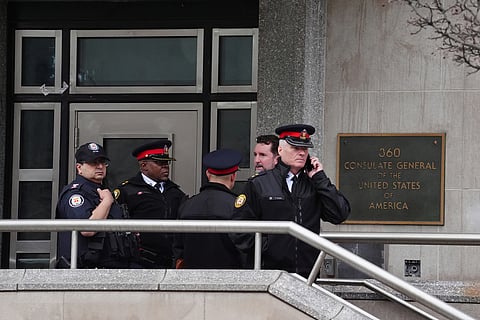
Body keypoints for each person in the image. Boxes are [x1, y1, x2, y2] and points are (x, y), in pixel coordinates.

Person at [232, 124, 351, 277]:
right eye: (295, 148)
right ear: (280, 151)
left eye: (305, 149)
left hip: (308, 274)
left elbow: (340, 214)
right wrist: (267, 249)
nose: (302, 153)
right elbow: (238, 229)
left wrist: (320, 179)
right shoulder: (259, 184)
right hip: (270, 273)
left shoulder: (314, 183)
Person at [56, 142, 139, 269]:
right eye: (93, 163)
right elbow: (87, 229)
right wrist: (106, 201)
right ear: (79, 168)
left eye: (102, 162)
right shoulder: (75, 193)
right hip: (88, 270)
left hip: (112, 265)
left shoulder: (101, 190)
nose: (100, 166)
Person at [114, 139, 188, 268]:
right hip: (138, 262)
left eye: (167, 163)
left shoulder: (175, 192)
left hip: (169, 261)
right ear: (143, 166)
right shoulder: (127, 191)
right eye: (160, 163)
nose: (165, 167)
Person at [174, 149, 244, 269]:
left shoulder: (187, 205)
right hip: (230, 280)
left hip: (191, 279)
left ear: (207, 174)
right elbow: (244, 248)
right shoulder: (237, 207)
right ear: (233, 176)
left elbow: (178, 248)